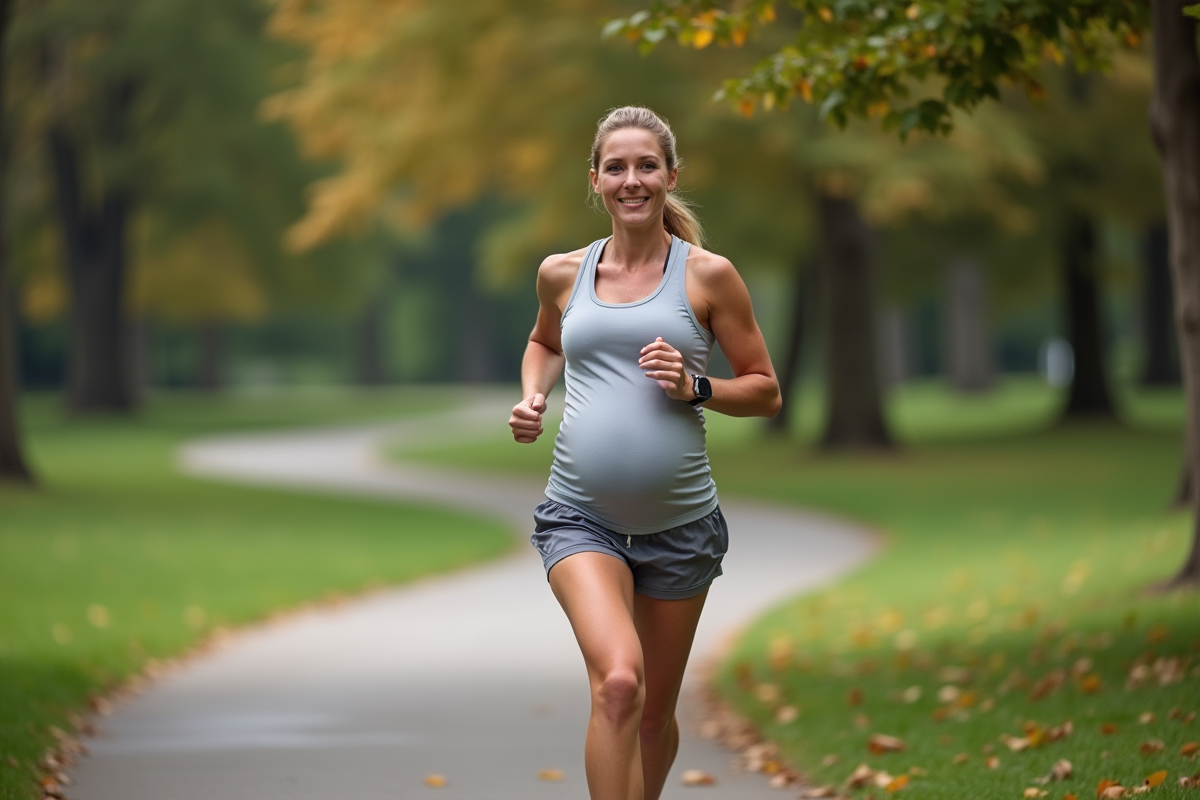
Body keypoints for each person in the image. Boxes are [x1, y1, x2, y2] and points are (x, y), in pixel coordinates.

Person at [508, 106, 781, 800]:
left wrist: (696, 386)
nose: (633, 179)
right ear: (595, 180)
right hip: (582, 519)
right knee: (620, 684)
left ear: (670, 176)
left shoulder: (709, 276)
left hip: (682, 528)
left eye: (647, 165)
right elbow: (544, 343)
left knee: (655, 715)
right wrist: (534, 395)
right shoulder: (562, 274)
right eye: (618, 167)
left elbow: (765, 391)